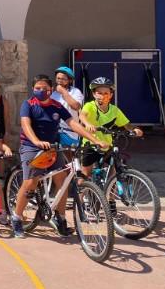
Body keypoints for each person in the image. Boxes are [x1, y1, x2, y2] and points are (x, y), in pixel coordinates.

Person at [11, 75, 108, 239]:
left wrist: (95, 140)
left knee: (62, 181)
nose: (41, 91)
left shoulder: (56, 106)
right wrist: (36, 141)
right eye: (38, 88)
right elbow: (26, 125)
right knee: (31, 182)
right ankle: (17, 218)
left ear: (51, 90)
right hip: (31, 146)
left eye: (45, 88)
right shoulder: (28, 104)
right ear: (33, 89)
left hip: (53, 147)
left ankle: (61, 218)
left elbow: (73, 123)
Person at [78, 77, 143, 177]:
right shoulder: (89, 106)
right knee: (85, 175)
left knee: (113, 173)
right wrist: (88, 124)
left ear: (111, 95)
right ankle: (82, 187)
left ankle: (111, 187)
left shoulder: (114, 110)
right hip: (91, 145)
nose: (102, 96)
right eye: (99, 93)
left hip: (107, 146)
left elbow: (126, 124)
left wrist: (135, 129)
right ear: (94, 94)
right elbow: (82, 115)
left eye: (106, 93)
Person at [52, 66, 85, 152]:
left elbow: (76, 106)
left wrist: (63, 91)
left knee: (70, 157)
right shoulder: (52, 94)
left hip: (70, 132)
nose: (60, 81)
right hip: (56, 132)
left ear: (69, 80)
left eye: (63, 79)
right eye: (58, 78)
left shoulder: (75, 92)